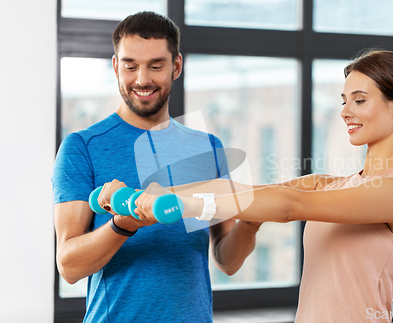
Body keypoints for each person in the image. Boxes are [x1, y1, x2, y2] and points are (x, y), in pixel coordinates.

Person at [99, 49, 393, 322]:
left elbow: (289, 205)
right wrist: (153, 196)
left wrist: (182, 203)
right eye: (344, 100)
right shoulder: (332, 185)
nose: (344, 111)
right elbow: (246, 192)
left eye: (358, 100)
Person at [52, 11, 262, 323]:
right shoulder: (82, 146)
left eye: (155, 65)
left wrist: (252, 221)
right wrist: (122, 226)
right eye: (130, 65)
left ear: (176, 66)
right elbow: (69, 266)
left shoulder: (208, 147)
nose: (142, 79)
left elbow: (226, 261)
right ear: (115, 66)